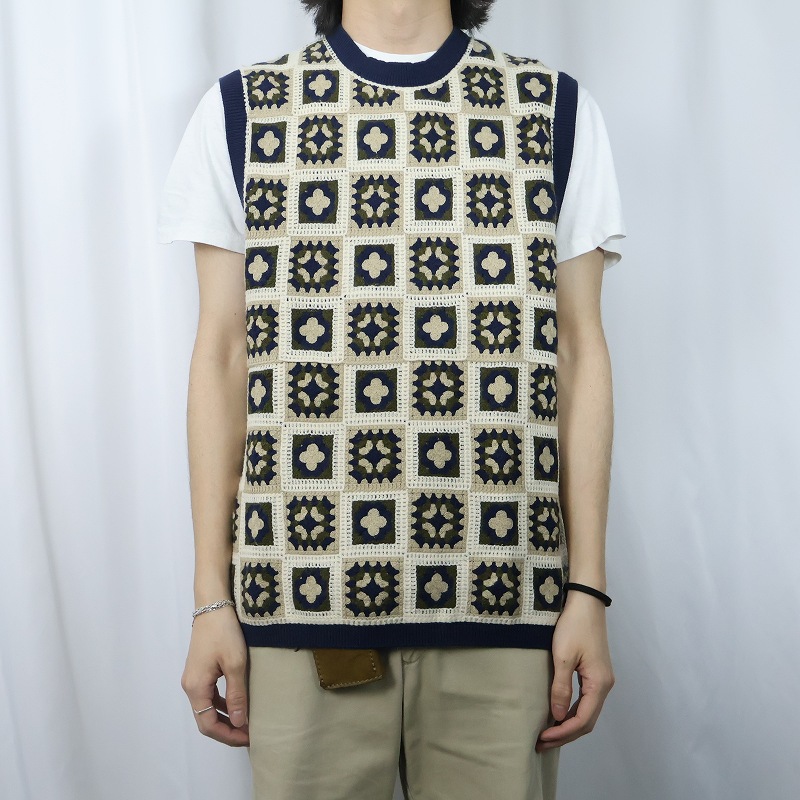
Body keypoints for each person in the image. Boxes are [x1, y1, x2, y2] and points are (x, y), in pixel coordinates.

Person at [157, 0, 625, 797]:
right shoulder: (242, 110)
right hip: (301, 606)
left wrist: (586, 590)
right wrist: (210, 602)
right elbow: (223, 359)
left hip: (508, 607)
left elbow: (581, 356)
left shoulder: (554, 111)